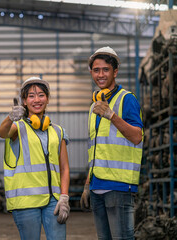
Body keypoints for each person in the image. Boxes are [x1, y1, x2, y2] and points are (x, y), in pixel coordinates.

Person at [80, 46, 143, 239]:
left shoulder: (127, 99)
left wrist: (111, 115)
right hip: (97, 186)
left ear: (115, 72)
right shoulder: (94, 106)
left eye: (105, 69)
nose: (100, 74)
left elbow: (137, 136)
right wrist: (87, 183)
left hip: (119, 186)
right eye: (96, 70)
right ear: (91, 72)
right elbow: (97, 149)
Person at [0, 77, 70, 240]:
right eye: (31, 96)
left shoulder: (58, 132)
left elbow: (64, 167)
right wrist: (11, 117)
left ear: (48, 98)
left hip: (54, 201)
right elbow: (2, 133)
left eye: (41, 95)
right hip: (26, 202)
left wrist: (64, 197)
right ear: (24, 101)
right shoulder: (18, 127)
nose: (37, 100)